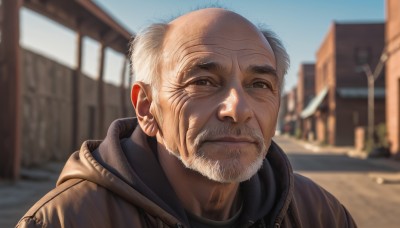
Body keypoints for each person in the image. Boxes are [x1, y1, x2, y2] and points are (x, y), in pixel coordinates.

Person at [17, 8, 356, 228]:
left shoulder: (319, 214)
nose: (237, 109)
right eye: (203, 82)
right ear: (147, 108)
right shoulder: (67, 221)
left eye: (259, 84)